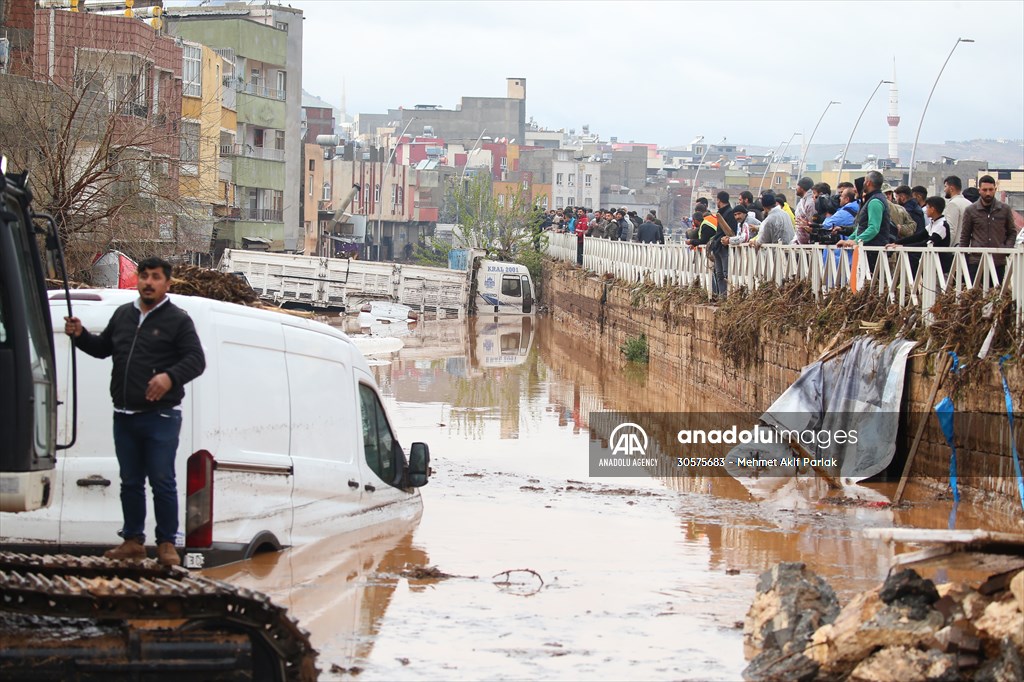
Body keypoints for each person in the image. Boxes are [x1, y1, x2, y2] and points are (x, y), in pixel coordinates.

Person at [64, 257, 206, 567]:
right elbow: (102, 348)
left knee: (162, 480)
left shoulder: (177, 320)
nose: (148, 282)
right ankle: (132, 541)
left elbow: (196, 360)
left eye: (155, 277)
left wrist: (169, 377)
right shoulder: (123, 315)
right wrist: (80, 335)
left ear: (167, 284)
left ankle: (166, 544)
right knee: (130, 481)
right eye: (144, 276)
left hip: (161, 416)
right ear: (138, 280)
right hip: (124, 414)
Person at [959, 175, 1018, 283]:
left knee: (996, 291)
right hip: (976, 261)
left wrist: (1006, 250)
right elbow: (965, 236)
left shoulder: (1004, 209)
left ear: (995, 189)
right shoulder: (971, 210)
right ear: (979, 190)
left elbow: (1012, 232)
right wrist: (963, 259)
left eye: (991, 190)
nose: (988, 193)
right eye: (985, 190)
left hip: (998, 261)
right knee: (975, 292)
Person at [837, 170, 892, 271]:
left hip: (872, 251)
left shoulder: (875, 201)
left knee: (871, 279)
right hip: (867, 250)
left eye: (865, 180)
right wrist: (849, 240)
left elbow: (874, 228)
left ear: (868, 183)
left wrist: (856, 241)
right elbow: (861, 226)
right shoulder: (870, 200)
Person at [887, 195, 951, 275]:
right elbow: (918, 237)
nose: (926, 210)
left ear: (932, 209)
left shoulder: (942, 225)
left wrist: (904, 246)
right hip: (931, 264)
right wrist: (897, 242)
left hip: (941, 266)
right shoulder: (933, 223)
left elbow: (927, 243)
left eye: (927, 207)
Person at [942, 175, 972, 246]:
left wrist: (946, 248)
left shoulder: (953, 204)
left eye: (945, 186)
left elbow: (951, 230)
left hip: (956, 247)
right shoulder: (969, 203)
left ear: (951, 188)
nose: (944, 190)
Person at [793, 177, 816, 244]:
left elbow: (812, 224)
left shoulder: (810, 203)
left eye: (797, 186)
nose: (796, 189)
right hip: (801, 241)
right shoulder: (803, 201)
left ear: (802, 188)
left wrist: (806, 226)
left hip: (809, 243)